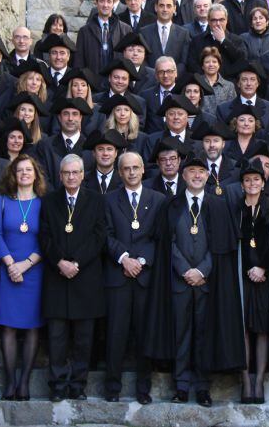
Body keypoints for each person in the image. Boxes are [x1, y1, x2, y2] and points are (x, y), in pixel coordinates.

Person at [146, 153, 243, 407]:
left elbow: (220, 245)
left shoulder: (218, 205)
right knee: (180, 334)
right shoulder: (172, 204)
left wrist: (202, 271)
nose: (197, 175)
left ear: (208, 176)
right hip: (178, 282)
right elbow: (169, 243)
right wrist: (184, 270)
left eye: (201, 172)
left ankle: (202, 387)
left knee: (203, 334)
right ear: (183, 175)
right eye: (192, 172)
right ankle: (181, 386)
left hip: (207, 283)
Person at [39, 154, 106, 401]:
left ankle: (78, 385)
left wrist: (76, 262)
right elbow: (44, 236)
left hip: (85, 278)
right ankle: (57, 385)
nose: (70, 176)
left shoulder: (96, 201)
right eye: (66, 173)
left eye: (75, 172)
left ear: (82, 174)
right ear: (60, 175)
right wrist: (60, 262)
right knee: (56, 338)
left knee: (83, 339)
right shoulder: (48, 202)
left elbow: (99, 236)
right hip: (57, 277)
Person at [103, 152, 165, 404]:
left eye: (135, 168)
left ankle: (143, 388)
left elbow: (158, 237)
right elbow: (105, 234)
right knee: (115, 334)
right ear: (120, 172)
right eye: (126, 168)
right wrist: (124, 258)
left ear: (143, 170)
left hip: (144, 277)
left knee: (144, 334)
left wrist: (140, 261)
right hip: (118, 276)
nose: (131, 172)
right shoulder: (108, 200)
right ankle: (112, 388)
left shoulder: (158, 200)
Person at [0, 154, 47, 401]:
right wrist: (11, 264)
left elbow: (48, 239)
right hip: (8, 269)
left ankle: (25, 383)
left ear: (36, 175)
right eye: (19, 170)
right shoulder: (2, 201)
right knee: (9, 327)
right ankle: (10, 382)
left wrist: (25, 265)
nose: (24, 174)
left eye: (28, 170)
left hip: (34, 270)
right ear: (13, 175)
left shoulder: (44, 204)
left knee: (33, 327)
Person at [229, 159, 269, 404]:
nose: (252, 183)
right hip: (240, 275)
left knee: (261, 328)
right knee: (241, 328)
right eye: (247, 180)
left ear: (263, 183)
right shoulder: (235, 210)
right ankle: (245, 381)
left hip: (264, 277)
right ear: (242, 184)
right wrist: (247, 268)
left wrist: (262, 267)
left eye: (256, 180)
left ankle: (259, 380)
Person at [35, 97, 94, 190]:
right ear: (59, 117)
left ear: (80, 118)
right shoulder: (45, 146)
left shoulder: (91, 148)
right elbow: (42, 178)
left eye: (75, 114)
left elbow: (91, 181)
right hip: (52, 201)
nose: (70, 118)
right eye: (66, 114)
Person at [73, 0, 132, 77]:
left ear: (113, 4)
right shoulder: (84, 31)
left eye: (109, 2)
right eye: (102, 1)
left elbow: (129, 60)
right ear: (96, 3)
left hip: (116, 82)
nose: (105, 5)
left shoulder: (125, 29)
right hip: (93, 81)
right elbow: (79, 60)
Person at [187, 4, 248, 80]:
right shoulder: (197, 40)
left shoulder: (237, 40)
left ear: (226, 20)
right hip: (204, 83)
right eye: (214, 20)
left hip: (230, 83)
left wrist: (223, 41)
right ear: (208, 21)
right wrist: (206, 78)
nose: (218, 23)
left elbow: (242, 60)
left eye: (221, 20)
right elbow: (192, 64)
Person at [216, 60, 269, 131]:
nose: (248, 83)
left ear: (257, 83)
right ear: (238, 84)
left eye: (252, 79)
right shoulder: (223, 109)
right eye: (244, 80)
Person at [139, 0, 191, 74]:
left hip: (175, 81)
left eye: (169, 6)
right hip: (150, 79)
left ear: (174, 9)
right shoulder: (144, 32)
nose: (165, 9)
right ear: (156, 8)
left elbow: (184, 61)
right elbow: (142, 58)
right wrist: (153, 74)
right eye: (161, 6)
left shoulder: (183, 33)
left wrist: (172, 75)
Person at [141, 94, 203, 161]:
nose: (176, 117)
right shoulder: (153, 140)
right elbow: (150, 168)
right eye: (171, 114)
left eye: (180, 114)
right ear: (166, 118)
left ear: (187, 117)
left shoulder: (198, 141)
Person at [93, 57, 148, 129]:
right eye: (116, 77)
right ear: (109, 78)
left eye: (124, 78)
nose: (120, 81)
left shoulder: (139, 102)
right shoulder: (95, 100)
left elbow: (139, 127)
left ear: (129, 81)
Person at [191, 120, 238, 195]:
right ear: (202, 144)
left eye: (216, 141)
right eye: (207, 141)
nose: (211, 145)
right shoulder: (192, 168)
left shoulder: (235, 169)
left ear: (223, 144)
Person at [139, 59, 181, 134]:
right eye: (161, 72)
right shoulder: (145, 95)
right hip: (153, 142)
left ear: (176, 73)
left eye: (169, 71)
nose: (165, 75)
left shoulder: (183, 94)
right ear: (156, 75)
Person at [83, 129, 127, 195]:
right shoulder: (82, 180)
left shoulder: (125, 180)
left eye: (109, 149)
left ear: (116, 153)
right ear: (94, 153)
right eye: (100, 149)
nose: (105, 153)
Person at [199, 47, 236, 116]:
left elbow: (233, 109)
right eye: (207, 62)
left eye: (214, 62)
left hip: (222, 124)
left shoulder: (229, 86)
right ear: (202, 66)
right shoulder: (197, 83)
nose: (211, 65)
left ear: (219, 65)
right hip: (201, 124)